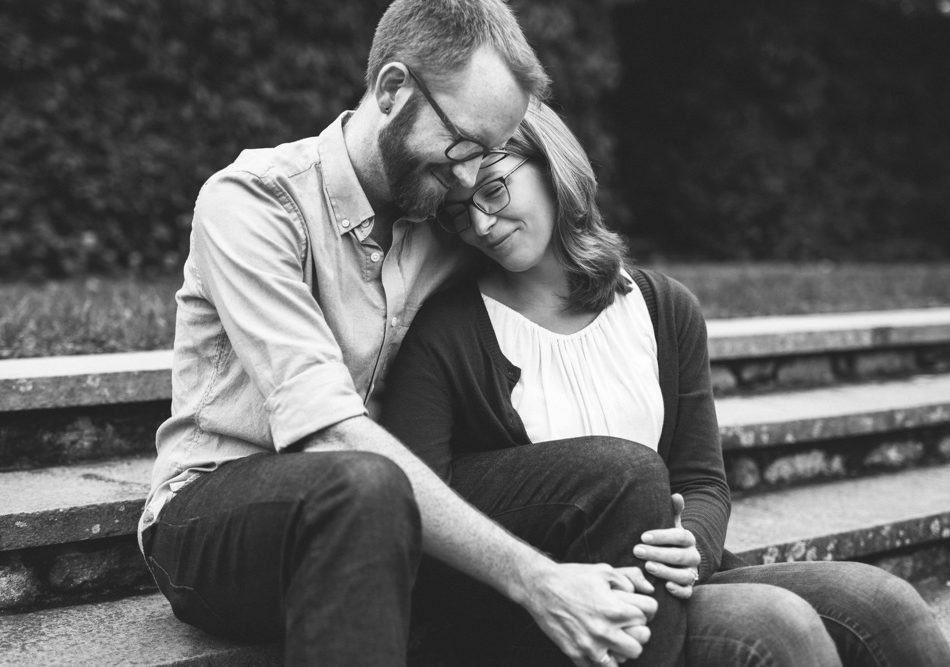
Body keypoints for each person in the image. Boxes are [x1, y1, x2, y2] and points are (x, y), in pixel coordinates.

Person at [139, 2, 681, 666]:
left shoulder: (443, 216)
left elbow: (541, 235)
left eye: (485, 156)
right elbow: (327, 432)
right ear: (394, 90)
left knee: (622, 477)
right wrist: (538, 579)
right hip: (221, 513)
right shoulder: (252, 202)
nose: (466, 181)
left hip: (394, 506)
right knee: (362, 484)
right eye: (460, 145)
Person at [381, 101, 950, 666]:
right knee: (778, 629)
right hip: (553, 608)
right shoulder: (447, 332)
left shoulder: (663, 309)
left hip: (671, 579)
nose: (480, 224)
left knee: (886, 606)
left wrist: (693, 550)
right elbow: (423, 514)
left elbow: (702, 478)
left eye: (493, 191)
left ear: (551, 165)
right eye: (457, 213)